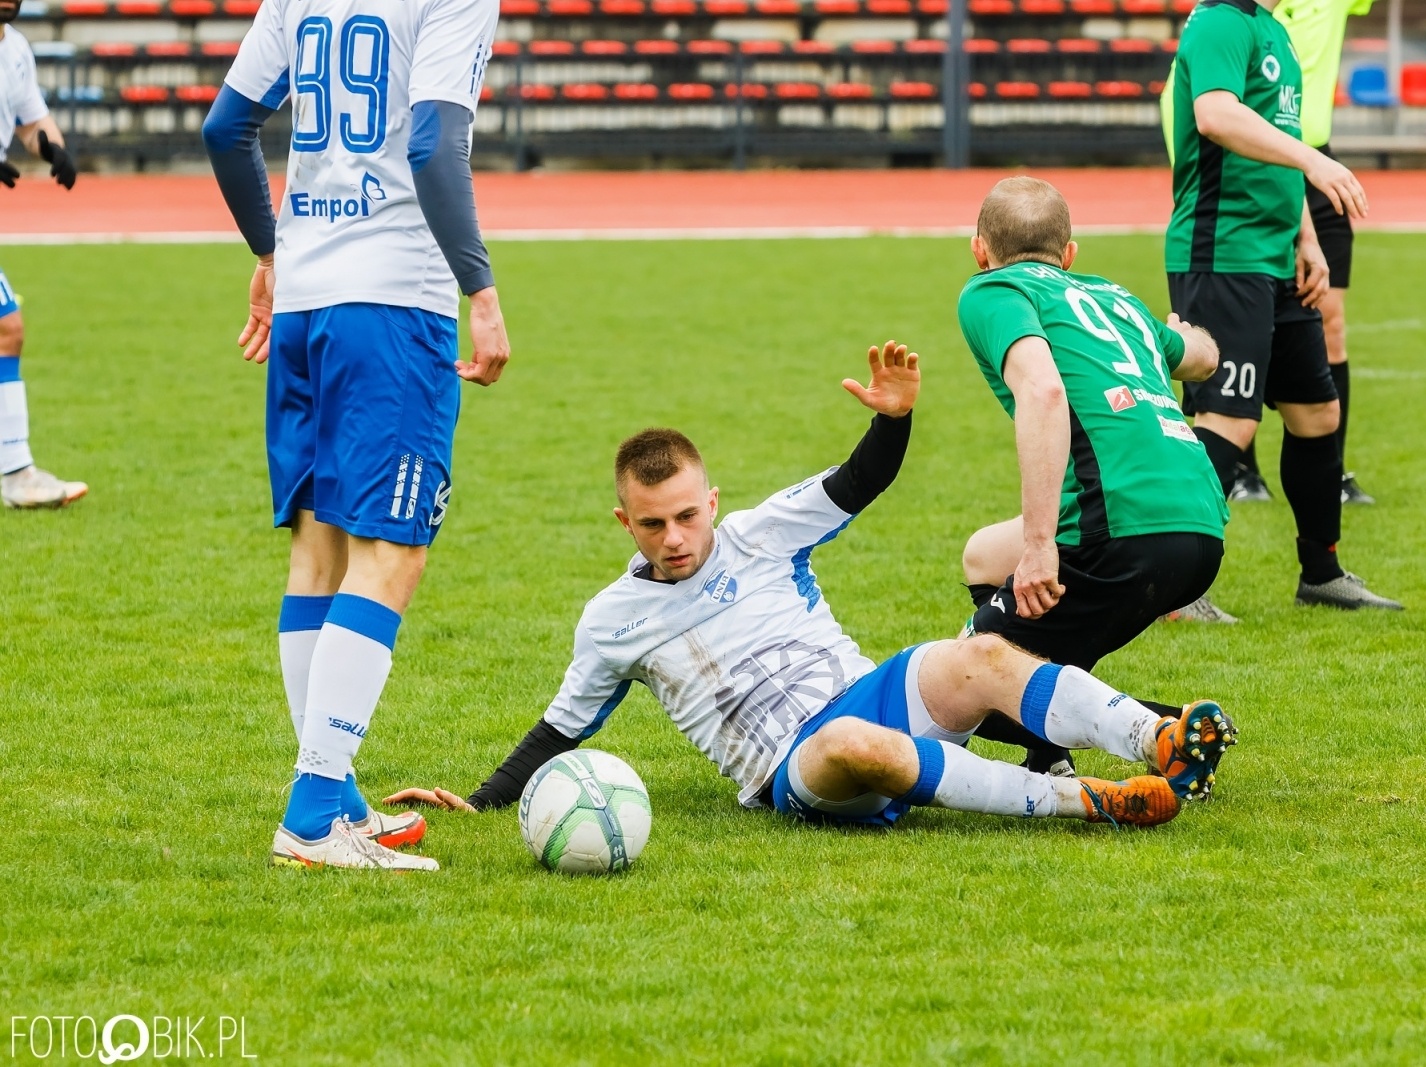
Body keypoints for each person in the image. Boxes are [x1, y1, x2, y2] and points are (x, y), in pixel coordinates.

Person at [385, 342, 1238, 830]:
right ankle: (1085, 800)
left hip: (869, 692)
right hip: (798, 767)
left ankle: (1155, 741)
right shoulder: (615, 619)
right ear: (626, 524)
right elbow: (559, 727)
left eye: (688, 515)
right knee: (846, 747)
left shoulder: (759, 533)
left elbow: (860, 480)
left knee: (982, 651)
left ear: (710, 500)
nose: (677, 538)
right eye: (655, 524)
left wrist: (892, 417)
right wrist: (480, 801)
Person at [202, 0, 510, 870]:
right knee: (392, 554)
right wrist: (479, 293)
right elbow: (431, 144)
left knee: (319, 553)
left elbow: (227, 127)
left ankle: (334, 797)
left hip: (305, 301)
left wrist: (271, 254)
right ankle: (310, 818)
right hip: (392, 303)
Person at [953, 176, 1230, 772]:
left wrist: (1038, 546)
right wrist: (1180, 333)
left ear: (979, 249)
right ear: (1070, 253)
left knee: (968, 685)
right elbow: (1204, 357)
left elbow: (1045, 391)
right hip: (1202, 525)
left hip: (1122, 526)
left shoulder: (992, 290)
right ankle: (1049, 755)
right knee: (982, 556)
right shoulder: (1114, 296)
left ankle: (1165, 729)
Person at [1165, 0, 1402, 615]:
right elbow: (1215, 116)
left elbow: (1279, 140)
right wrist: (1314, 160)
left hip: (1275, 254)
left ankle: (1321, 575)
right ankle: (1172, 586)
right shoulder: (1220, 20)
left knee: (1318, 413)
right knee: (1229, 420)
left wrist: (1307, 238)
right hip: (1223, 254)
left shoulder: (1273, 29)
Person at [1225, 0, 1377, 507]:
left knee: (1329, 318)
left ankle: (1330, 470)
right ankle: (1243, 472)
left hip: (1320, 170)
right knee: (1251, 327)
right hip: (1254, 172)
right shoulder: (1231, 19)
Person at [0, 0, 87, 510]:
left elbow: (32, 122)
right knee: (7, 327)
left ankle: (17, 471)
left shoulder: (16, 51)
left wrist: (55, 150)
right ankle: (17, 472)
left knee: (6, 328)